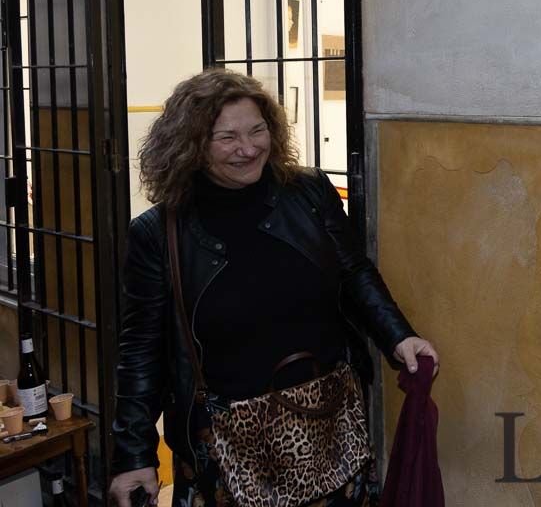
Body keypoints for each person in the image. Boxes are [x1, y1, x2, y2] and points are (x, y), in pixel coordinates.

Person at [108, 69, 438, 507]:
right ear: (190, 146)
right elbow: (141, 350)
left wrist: (400, 337)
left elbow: (355, 273)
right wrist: (134, 454)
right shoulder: (157, 234)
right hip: (228, 450)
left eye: (257, 130)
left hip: (329, 427)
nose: (248, 149)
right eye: (227, 138)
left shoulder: (309, 192)